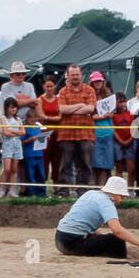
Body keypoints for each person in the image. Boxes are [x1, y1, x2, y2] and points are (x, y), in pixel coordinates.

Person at [53, 176, 139, 258]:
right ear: (115, 193)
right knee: (117, 240)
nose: (123, 200)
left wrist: (102, 237)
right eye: (122, 196)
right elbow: (117, 230)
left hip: (59, 238)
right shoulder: (106, 203)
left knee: (107, 238)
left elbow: (84, 221)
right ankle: (124, 256)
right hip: (71, 243)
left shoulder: (90, 193)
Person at [55, 63, 97, 195]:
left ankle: (83, 191)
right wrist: (80, 105)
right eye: (72, 75)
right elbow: (62, 109)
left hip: (86, 134)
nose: (75, 77)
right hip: (66, 134)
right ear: (68, 76)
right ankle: (63, 191)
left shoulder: (89, 90)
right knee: (65, 165)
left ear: (81, 75)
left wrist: (71, 109)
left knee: (84, 164)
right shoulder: (62, 91)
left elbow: (91, 108)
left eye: (77, 74)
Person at [88, 70, 115, 188]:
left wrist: (109, 115)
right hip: (94, 132)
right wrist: (102, 116)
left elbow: (112, 112)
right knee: (94, 163)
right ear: (92, 83)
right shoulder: (89, 95)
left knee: (105, 163)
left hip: (107, 132)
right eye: (95, 81)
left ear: (102, 81)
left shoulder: (108, 95)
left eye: (99, 81)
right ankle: (94, 187)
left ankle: (102, 187)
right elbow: (89, 116)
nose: (97, 83)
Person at [37, 75, 63, 191]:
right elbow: (40, 117)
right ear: (43, 86)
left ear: (55, 87)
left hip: (57, 134)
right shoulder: (39, 100)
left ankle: (55, 189)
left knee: (57, 161)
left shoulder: (59, 100)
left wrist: (47, 117)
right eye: (47, 86)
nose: (49, 89)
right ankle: (42, 188)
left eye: (51, 86)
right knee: (43, 160)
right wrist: (54, 118)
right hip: (43, 134)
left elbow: (61, 117)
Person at [0, 96, 25, 197]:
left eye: (15, 107)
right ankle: (1, 189)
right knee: (7, 168)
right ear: (6, 108)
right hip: (7, 145)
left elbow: (23, 132)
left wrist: (12, 130)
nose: (13, 109)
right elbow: (6, 133)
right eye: (11, 107)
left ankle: (10, 190)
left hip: (17, 145)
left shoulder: (18, 119)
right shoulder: (3, 118)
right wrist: (15, 132)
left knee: (14, 169)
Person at [112, 91, 135, 188]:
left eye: (123, 102)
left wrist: (129, 140)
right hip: (118, 143)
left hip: (130, 142)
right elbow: (112, 129)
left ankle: (130, 189)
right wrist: (121, 141)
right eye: (119, 102)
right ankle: (118, 190)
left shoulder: (131, 114)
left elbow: (135, 128)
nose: (122, 104)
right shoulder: (113, 115)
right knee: (119, 168)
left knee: (131, 168)